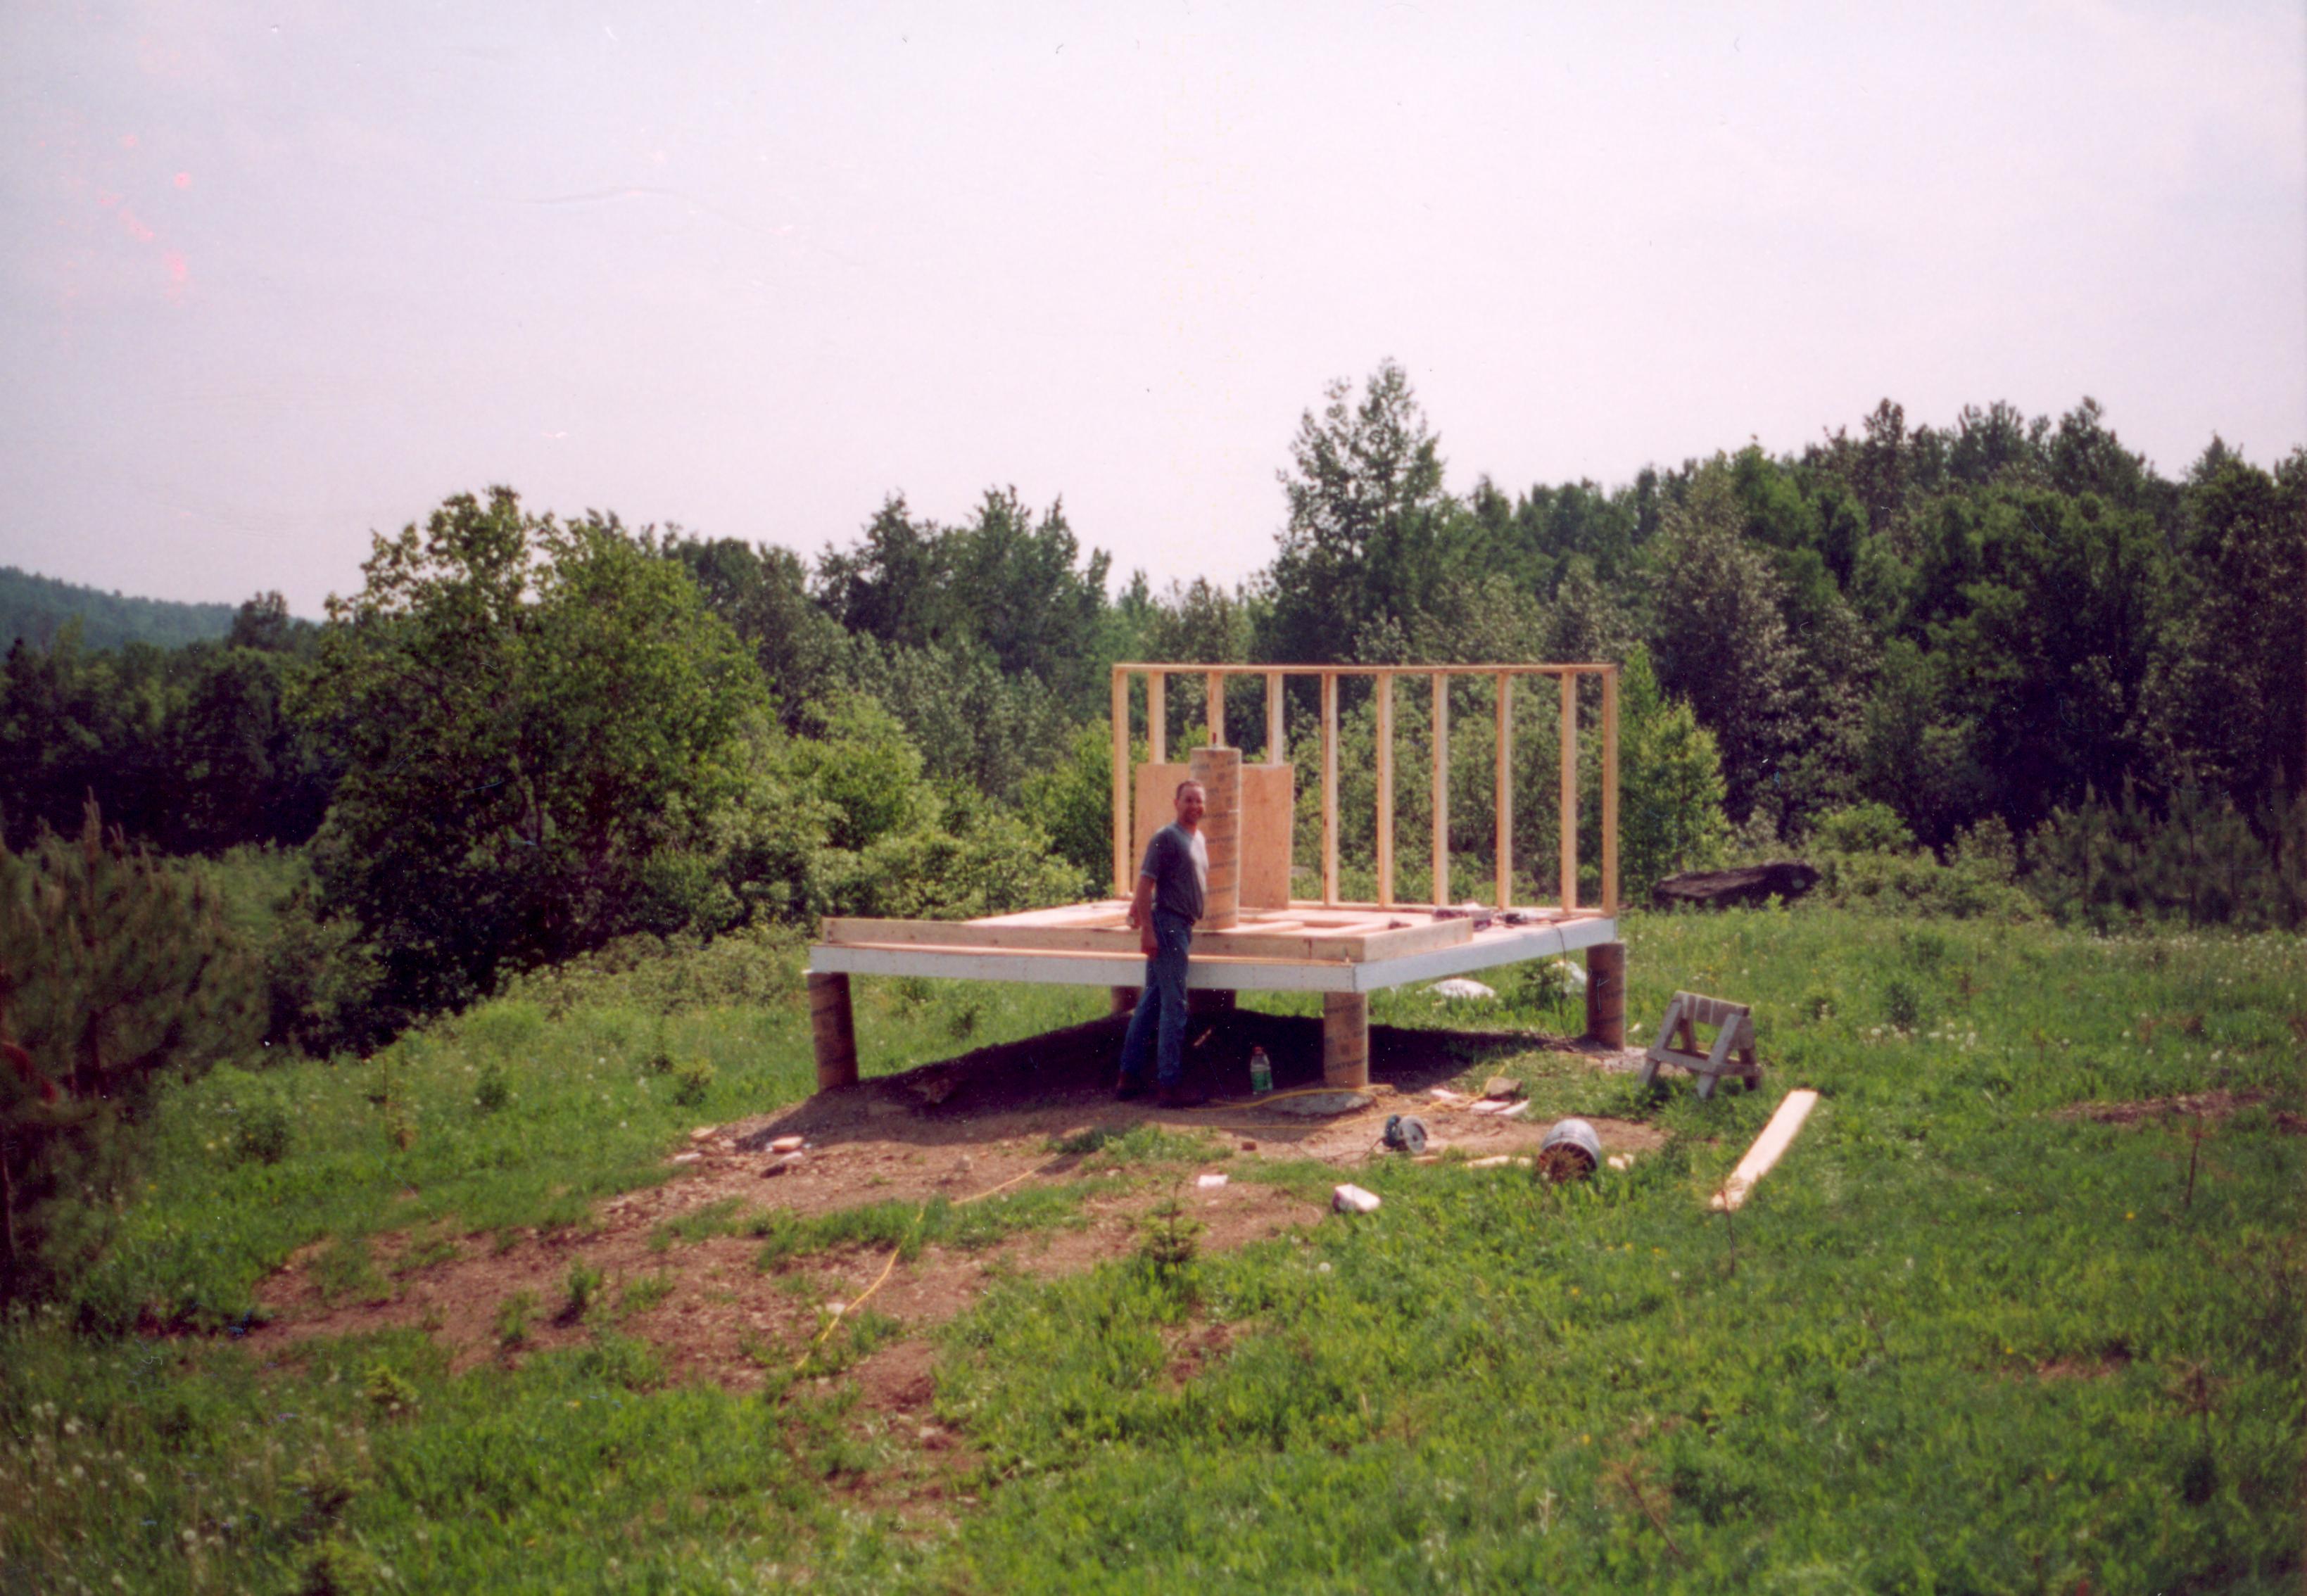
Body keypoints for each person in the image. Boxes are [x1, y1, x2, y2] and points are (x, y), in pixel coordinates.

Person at [1114, 778, 1208, 1108]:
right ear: (1176, 803)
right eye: (1188, 800)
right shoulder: (1166, 837)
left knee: (1152, 1001)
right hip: (1168, 928)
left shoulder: (1198, 839)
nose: (1194, 805)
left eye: (1199, 800)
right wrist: (1147, 931)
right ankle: (1169, 1085)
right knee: (1175, 1006)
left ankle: (1128, 1077)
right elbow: (1145, 884)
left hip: (1181, 926)